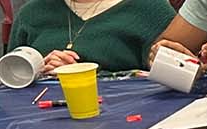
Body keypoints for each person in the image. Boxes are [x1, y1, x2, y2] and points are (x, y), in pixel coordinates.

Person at [10, 0, 178, 74]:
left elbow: (175, 76)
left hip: (124, 121)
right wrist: (37, 70)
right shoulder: (31, 13)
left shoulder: (150, 9)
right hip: (40, 121)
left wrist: (81, 74)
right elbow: (7, 82)